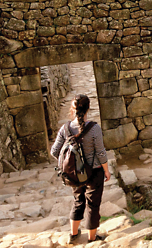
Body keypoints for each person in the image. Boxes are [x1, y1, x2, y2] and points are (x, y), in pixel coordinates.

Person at [51, 95, 111, 242]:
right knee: (93, 204)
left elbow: (54, 151)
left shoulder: (65, 129)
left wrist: (67, 164)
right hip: (94, 172)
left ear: (72, 109)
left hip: (73, 175)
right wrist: (106, 170)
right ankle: (92, 238)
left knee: (78, 201)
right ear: (88, 108)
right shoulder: (94, 128)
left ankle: (73, 234)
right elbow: (101, 152)